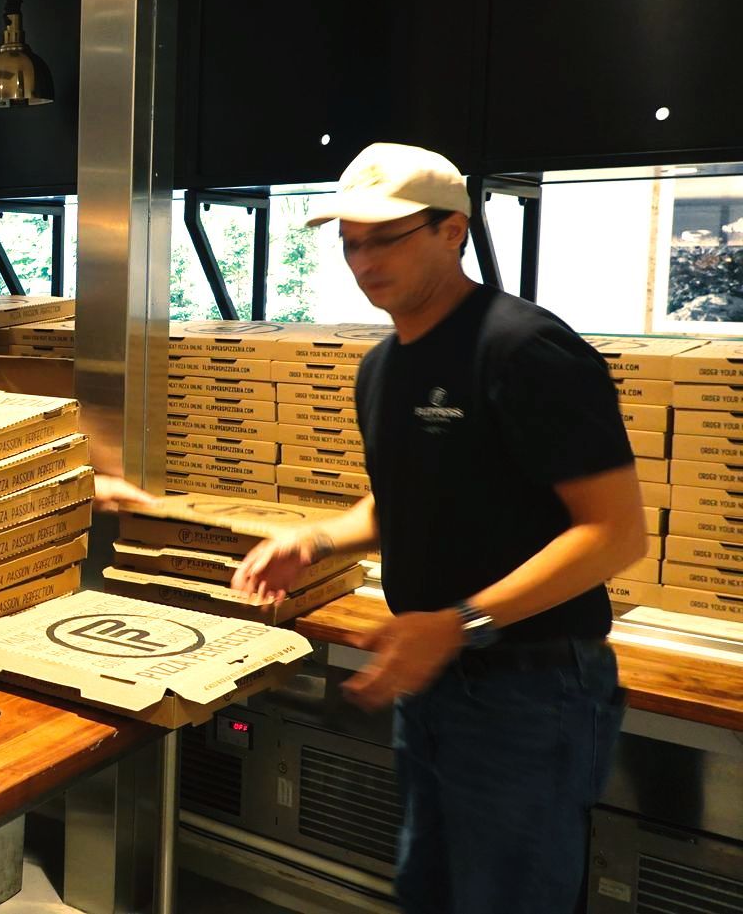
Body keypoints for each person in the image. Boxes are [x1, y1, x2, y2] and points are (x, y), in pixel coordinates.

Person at [231, 143, 643, 913]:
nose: (363, 261)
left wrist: (460, 623)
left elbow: (616, 533)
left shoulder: (524, 348)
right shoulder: (383, 367)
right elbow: (400, 503)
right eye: (350, 242)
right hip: (430, 676)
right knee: (429, 892)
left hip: (529, 688)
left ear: (453, 230)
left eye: (385, 239)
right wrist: (314, 540)